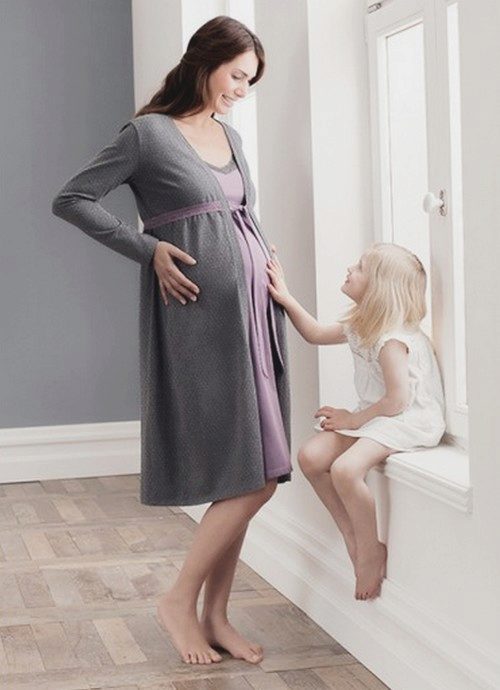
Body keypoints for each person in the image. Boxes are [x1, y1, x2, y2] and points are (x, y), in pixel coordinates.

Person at [51, 16, 292, 666]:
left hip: (252, 316)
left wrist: (265, 262)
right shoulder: (149, 135)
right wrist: (148, 248)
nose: (242, 90)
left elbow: (238, 214)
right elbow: (72, 199)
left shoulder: (231, 136)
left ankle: (215, 614)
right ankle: (179, 601)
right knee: (248, 473)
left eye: (250, 81)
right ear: (206, 61)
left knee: (253, 472)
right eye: (237, 75)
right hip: (199, 319)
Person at [266, 242, 446, 601]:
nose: (350, 268)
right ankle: (352, 536)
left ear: (380, 288)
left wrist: (352, 418)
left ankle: (369, 548)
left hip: (408, 418)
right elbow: (315, 334)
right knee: (310, 457)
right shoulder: (361, 326)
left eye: (361, 267)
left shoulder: (393, 340)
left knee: (346, 470)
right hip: (379, 415)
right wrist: (284, 296)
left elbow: (398, 401)